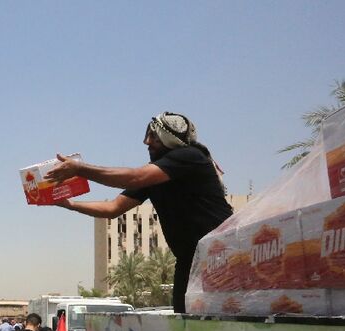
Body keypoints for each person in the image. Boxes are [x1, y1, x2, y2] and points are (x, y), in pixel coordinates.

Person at [45, 112, 233, 313]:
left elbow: (132, 178)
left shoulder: (190, 156)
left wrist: (80, 169)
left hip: (220, 252)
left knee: (224, 322)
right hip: (189, 259)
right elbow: (113, 208)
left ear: (169, 139)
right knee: (186, 324)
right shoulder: (154, 178)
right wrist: (70, 204)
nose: (146, 141)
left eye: (153, 136)